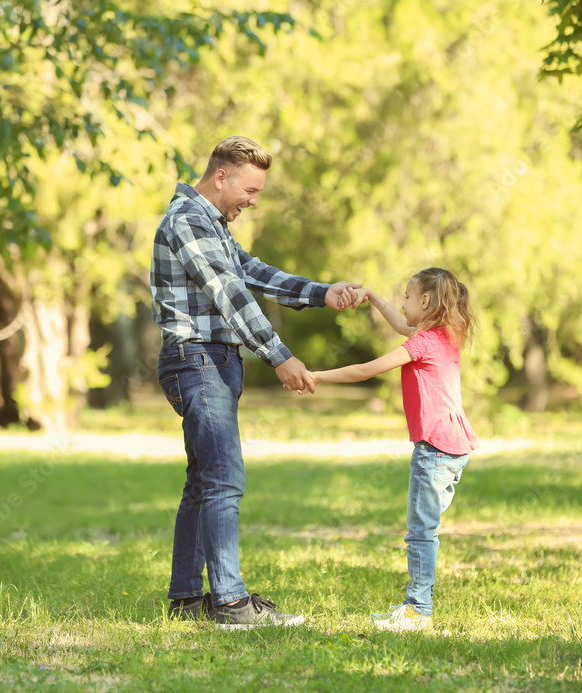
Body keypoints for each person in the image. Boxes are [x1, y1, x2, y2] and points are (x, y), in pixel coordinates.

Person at [150, 135, 362, 630]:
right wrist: (279, 355)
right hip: (197, 360)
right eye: (249, 189)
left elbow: (250, 273)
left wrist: (321, 293)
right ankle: (229, 604)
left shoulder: (212, 224)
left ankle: (186, 599)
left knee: (203, 483)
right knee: (224, 479)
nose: (253, 200)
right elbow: (229, 294)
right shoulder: (187, 221)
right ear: (220, 176)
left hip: (211, 361)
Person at [310, 267, 478, 632]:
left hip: (434, 448)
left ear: (425, 301)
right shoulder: (444, 334)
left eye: (406, 297)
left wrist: (317, 376)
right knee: (425, 528)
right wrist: (371, 296)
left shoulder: (424, 343)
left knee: (421, 531)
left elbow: (366, 371)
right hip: (453, 445)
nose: (402, 304)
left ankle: (419, 610)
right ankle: (417, 605)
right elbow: (403, 325)